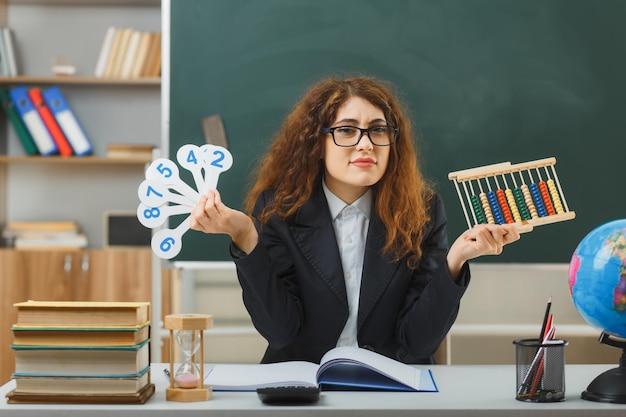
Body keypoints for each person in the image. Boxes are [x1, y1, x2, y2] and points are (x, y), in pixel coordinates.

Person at [190, 76, 520, 364]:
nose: (365, 144)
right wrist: (245, 235)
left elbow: (418, 342)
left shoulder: (423, 212)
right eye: (347, 131)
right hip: (305, 389)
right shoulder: (278, 210)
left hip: (392, 391)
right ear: (316, 142)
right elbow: (281, 332)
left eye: (378, 130)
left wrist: (455, 260)